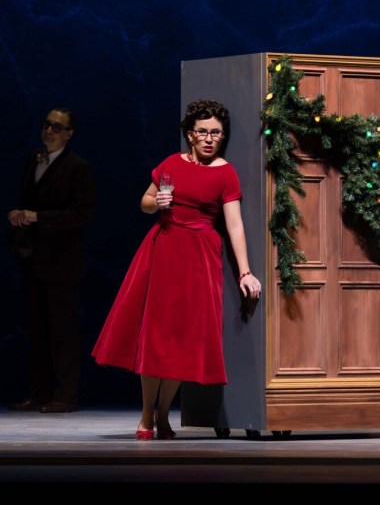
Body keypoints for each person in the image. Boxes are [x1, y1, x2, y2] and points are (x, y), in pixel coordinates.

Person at [91, 99, 261, 440]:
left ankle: (164, 414)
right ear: (190, 135)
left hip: (199, 257)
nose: (210, 138)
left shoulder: (225, 173)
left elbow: (235, 226)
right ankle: (145, 416)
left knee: (183, 340)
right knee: (156, 336)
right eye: (203, 132)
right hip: (164, 250)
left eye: (216, 133)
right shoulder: (171, 163)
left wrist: (245, 272)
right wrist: (158, 203)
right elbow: (145, 202)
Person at [7, 108, 96, 413]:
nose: (49, 130)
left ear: (69, 134)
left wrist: (37, 217)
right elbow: (29, 200)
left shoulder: (78, 167)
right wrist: (19, 214)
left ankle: (66, 394)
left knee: (63, 330)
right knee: (36, 328)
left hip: (62, 261)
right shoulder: (34, 158)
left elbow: (80, 214)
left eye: (57, 127)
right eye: (46, 124)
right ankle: (38, 391)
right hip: (33, 257)